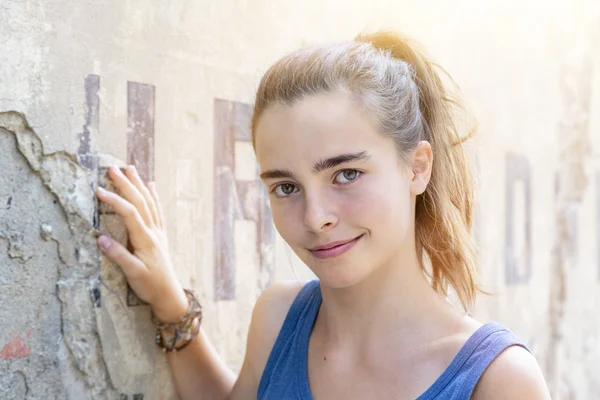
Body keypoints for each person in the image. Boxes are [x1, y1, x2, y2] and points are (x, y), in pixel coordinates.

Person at [95, 31, 551, 399]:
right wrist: (169, 302)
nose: (316, 217)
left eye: (346, 174)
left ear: (417, 167)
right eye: (286, 187)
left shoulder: (498, 381)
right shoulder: (279, 319)